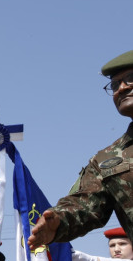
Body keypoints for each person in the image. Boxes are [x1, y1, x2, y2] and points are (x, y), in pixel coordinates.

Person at [28, 50, 133, 250]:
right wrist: (58, 220)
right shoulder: (107, 159)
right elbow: (85, 206)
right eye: (114, 84)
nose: (121, 88)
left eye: (131, 78)